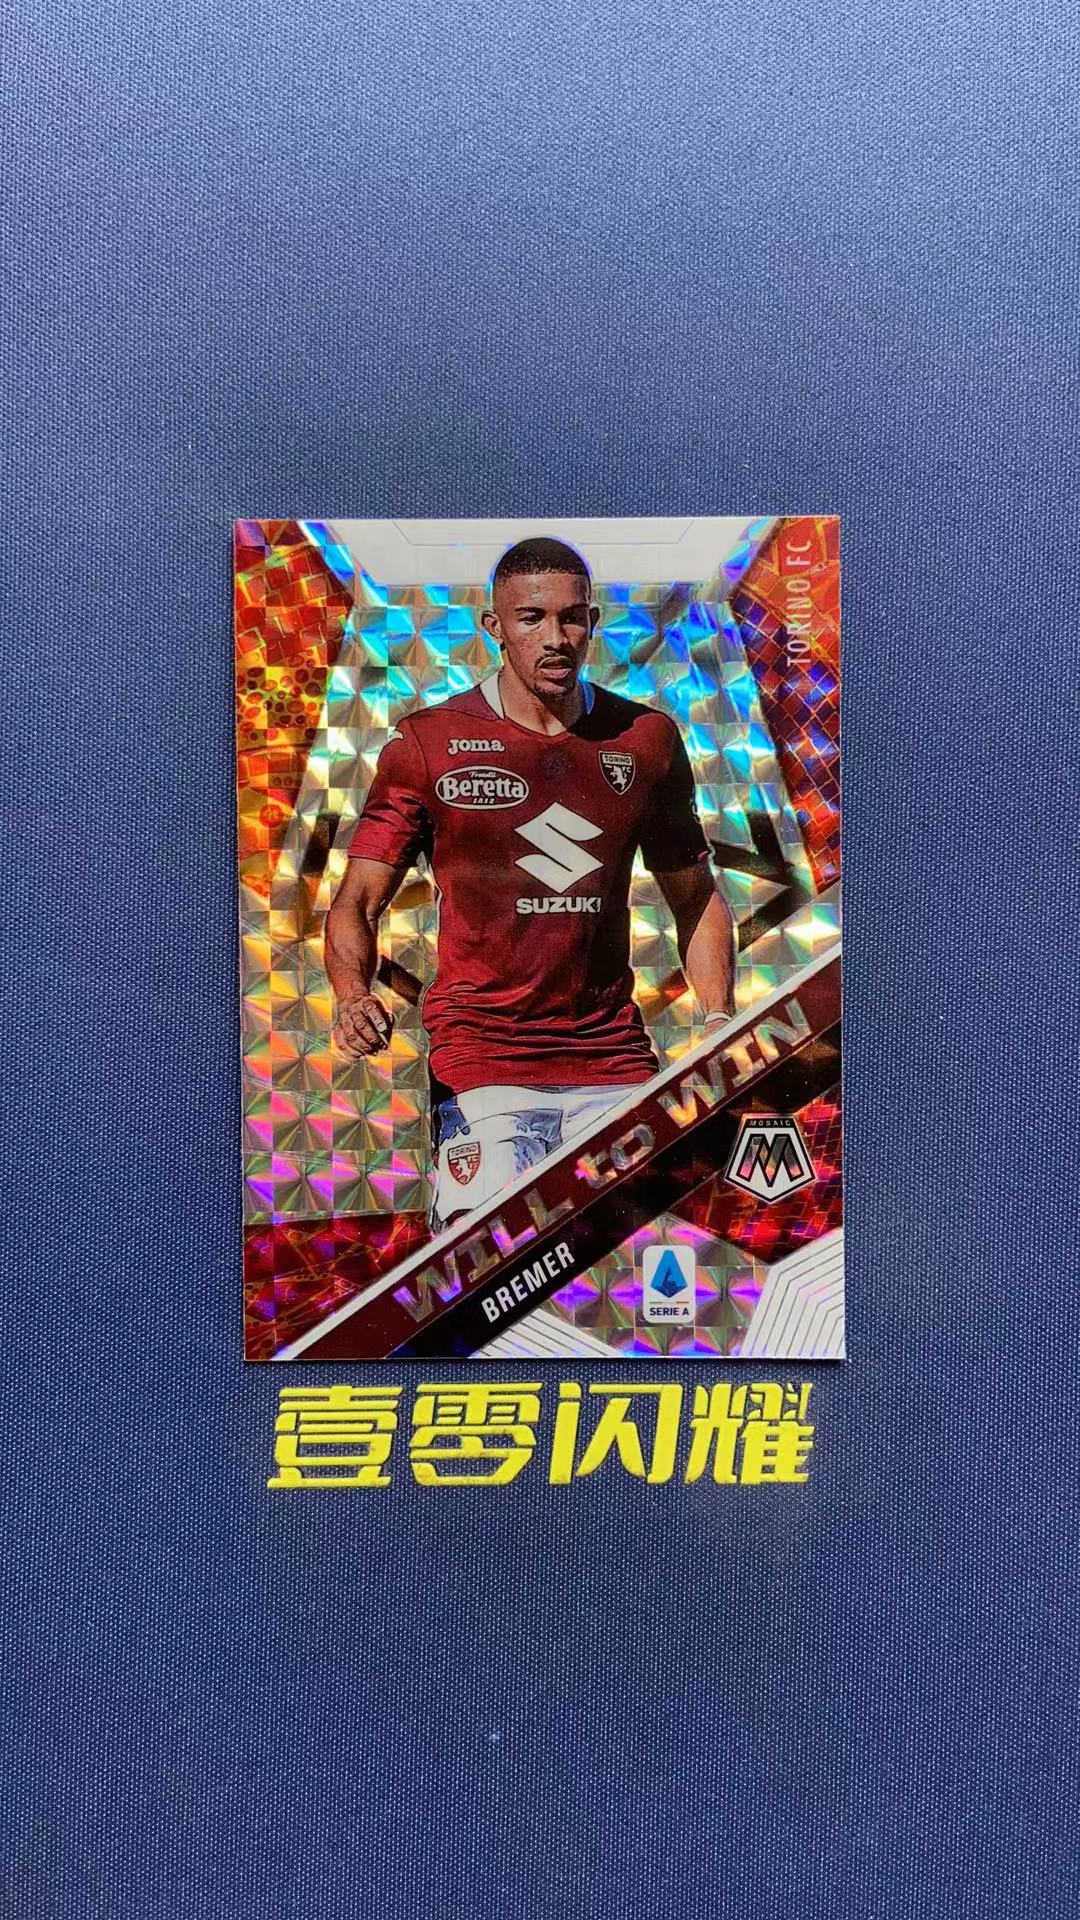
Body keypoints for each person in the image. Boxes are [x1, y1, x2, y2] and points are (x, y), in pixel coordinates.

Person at [326, 536, 734, 1226]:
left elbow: (695, 900)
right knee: (494, 1271)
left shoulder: (646, 739)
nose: (555, 638)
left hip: (614, 1063)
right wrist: (350, 996)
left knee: (628, 1273)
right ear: (494, 626)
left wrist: (719, 1018)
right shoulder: (428, 743)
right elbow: (357, 903)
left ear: (592, 623)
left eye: (571, 618)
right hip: (483, 1063)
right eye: (531, 618)